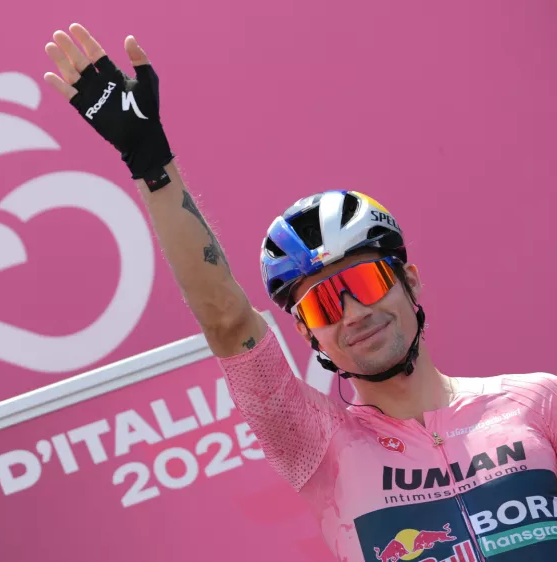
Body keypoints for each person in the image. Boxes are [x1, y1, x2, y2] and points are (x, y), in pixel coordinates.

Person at [44, 23, 557, 562]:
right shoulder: (316, 442)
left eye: (363, 282)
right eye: (323, 304)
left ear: (409, 281)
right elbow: (227, 322)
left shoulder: (537, 401)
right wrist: (151, 165)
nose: (354, 312)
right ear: (309, 333)